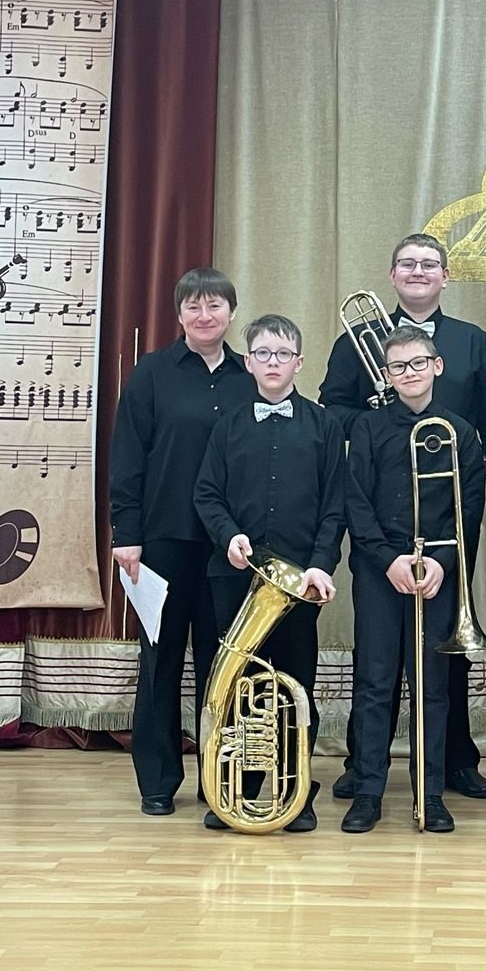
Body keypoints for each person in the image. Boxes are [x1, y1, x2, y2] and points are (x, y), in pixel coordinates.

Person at [322, 233, 486, 802]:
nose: (418, 272)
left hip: (446, 523)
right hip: (383, 517)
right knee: (375, 667)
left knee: (444, 661)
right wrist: (380, 422)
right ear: (392, 274)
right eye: (407, 263)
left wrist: (480, 451)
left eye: (429, 264)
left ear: (446, 275)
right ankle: (365, 769)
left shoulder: (473, 341)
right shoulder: (356, 341)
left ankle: (451, 765)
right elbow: (333, 408)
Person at [194, 314, 347, 833]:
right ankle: (234, 793)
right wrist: (228, 535)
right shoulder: (228, 425)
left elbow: (334, 506)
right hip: (234, 575)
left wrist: (321, 565)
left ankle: (295, 794)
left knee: (295, 686)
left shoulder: (324, 425)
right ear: (249, 362)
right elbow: (206, 493)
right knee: (234, 687)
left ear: (299, 362)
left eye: (282, 354)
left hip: (299, 582)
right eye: (262, 353)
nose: (273, 362)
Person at [110, 267, 254, 818]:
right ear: (179, 315)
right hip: (163, 541)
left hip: (229, 547)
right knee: (161, 661)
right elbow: (127, 456)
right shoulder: (151, 374)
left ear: (231, 313)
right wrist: (127, 534)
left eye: (214, 305)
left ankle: (221, 781)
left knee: (225, 666)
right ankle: (158, 780)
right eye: (193, 306)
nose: (204, 315)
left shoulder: (250, 376)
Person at [341, 326, 486, 834]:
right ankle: (368, 792)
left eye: (418, 363)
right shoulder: (367, 428)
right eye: (398, 366)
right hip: (380, 571)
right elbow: (356, 503)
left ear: (437, 366)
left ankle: (431, 793)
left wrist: (442, 561)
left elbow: (469, 510)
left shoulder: (460, 432)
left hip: (437, 574)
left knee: (433, 687)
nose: (410, 373)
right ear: (387, 374)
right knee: (375, 682)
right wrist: (388, 560)